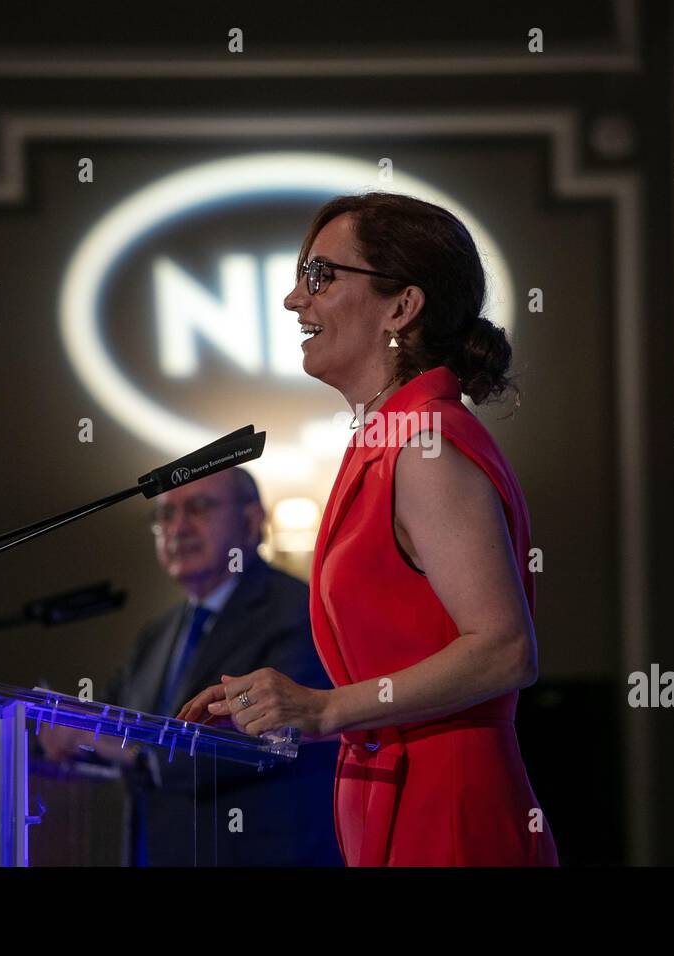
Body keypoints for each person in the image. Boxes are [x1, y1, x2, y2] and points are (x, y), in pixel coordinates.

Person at [179, 193, 558, 866]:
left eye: (320, 275)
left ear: (401, 307)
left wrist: (324, 709)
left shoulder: (427, 445)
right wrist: (280, 709)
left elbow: (505, 651)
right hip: (388, 795)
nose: (296, 300)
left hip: (450, 811)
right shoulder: (387, 442)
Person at [41, 467, 341, 866]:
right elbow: (111, 720)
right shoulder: (157, 633)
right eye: (164, 515)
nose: (177, 528)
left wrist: (136, 754)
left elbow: (270, 739)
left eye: (198, 508)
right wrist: (66, 731)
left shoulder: (297, 612)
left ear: (251, 522)